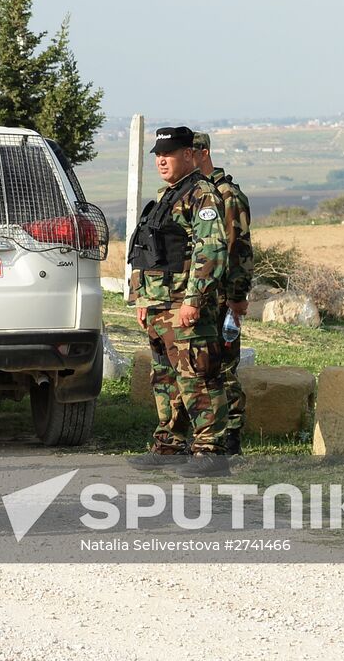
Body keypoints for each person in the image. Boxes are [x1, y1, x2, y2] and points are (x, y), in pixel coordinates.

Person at [124, 126, 231, 478]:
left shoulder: (202, 195)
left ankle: (210, 451)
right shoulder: (167, 197)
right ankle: (169, 445)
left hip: (183, 307)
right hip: (158, 306)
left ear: (189, 155)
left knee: (198, 378)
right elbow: (150, 254)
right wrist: (142, 298)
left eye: (168, 154)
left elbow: (211, 251)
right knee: (166, 381)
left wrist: (194, 300)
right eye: (157, 155)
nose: (161, 161)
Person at [193, 132, 253, 456]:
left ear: (203, 153)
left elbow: (238, 250)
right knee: (201, 369)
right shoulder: (193, 194)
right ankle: (207, 434)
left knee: (224, 369)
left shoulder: (227, 195)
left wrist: (237, 297)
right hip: (198, 297)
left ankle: (231, 437)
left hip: (221, 300)